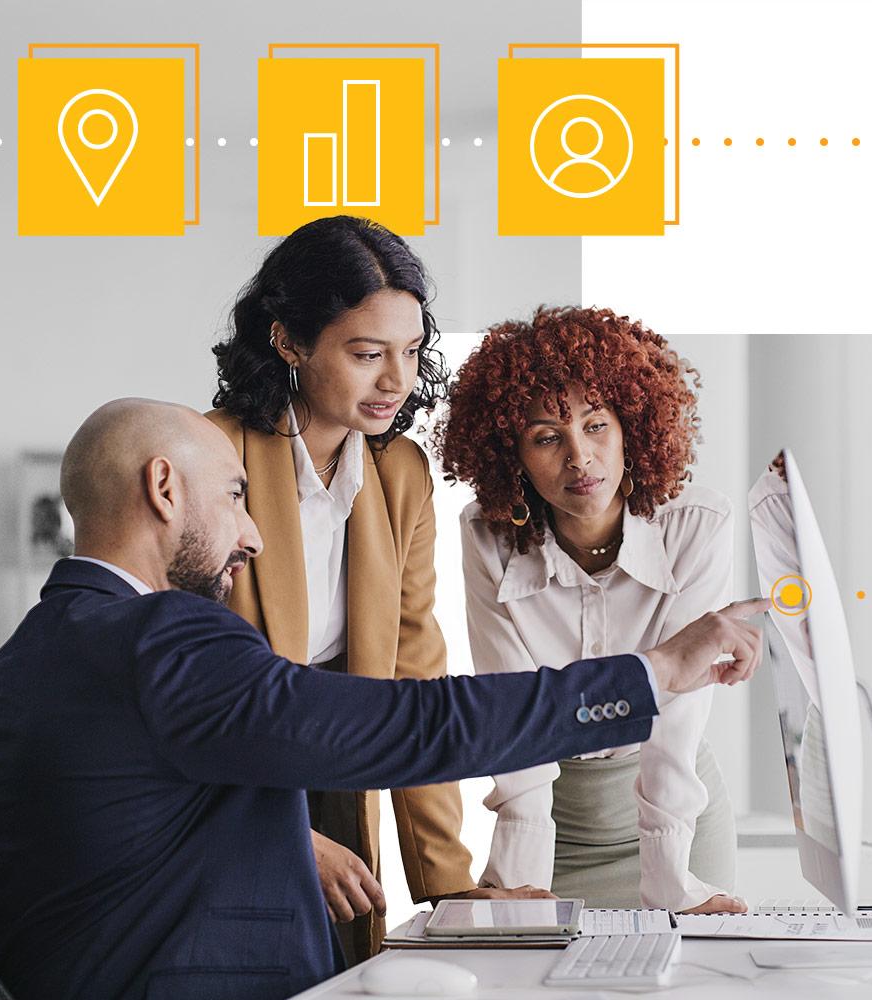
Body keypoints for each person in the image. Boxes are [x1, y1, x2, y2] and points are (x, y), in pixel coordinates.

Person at [0, 398, 767, 1000]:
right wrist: (654, 672)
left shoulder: (35, 655)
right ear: (164, 488)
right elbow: (409, 724)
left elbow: (147, 833)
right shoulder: (160, 638)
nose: (254, 534)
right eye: (235, 495)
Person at [208, 214, 522, 962]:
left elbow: (415, 679)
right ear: (289, 341)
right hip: (219, 793)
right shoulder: (210, 456)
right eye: (367, 353)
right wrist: (284, 833)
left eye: (410, 352)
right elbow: (167, 695)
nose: (396, 381)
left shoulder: (399, 473)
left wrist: (450, 886)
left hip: (336, 778)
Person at [437, 306, 746, 914]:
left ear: (632, 426)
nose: (579, 457)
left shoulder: (697, 526)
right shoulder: (486, 536)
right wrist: (519, 883)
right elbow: (513, 710)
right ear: (512, 456)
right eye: (547, 437)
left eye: (596, 425)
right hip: (555, 825)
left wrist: (673, 884)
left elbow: (675, 717)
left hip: (679, 820)